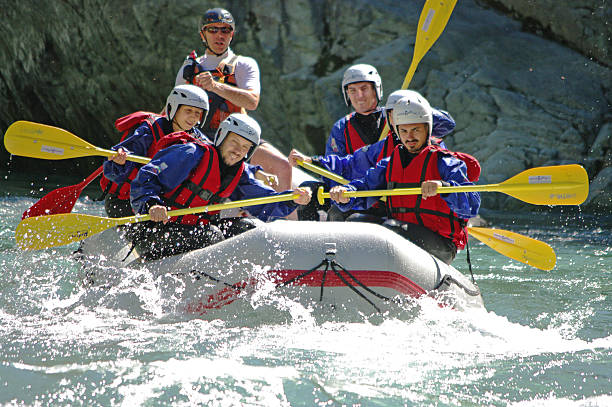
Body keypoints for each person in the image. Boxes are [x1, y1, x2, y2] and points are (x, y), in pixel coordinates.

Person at [129, 113, 312, 260]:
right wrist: (151, 204)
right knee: (212, 236)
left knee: (249, 227)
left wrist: (292, 198)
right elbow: (146, 177)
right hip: (156, 232)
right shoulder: (190, 153)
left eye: (245, 147)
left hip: (196, 230)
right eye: (234, 142)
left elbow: (264, 201)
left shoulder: (239, 173)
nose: (239, 150)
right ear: (222, 137)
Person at [327, 94, 481, 264]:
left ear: (427, 129)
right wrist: (347, 193)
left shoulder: (446, 163)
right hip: (400, 233)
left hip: (440, 243)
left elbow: (472, 204)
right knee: (355, 221)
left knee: (391, 229)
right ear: (397, 132)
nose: (410, 137)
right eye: (404, 131)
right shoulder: (390, 163)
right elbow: (365, 188)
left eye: (416, 129)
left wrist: (443, 186)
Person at [175, 7, 294, 194]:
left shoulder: (244, 64)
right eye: (212, 29)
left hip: (238, 136)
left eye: (225, 30)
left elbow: (252, 101)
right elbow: (173, 108)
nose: (219, 35)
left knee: (282, 167)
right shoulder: (189, 68)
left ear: (232, 34)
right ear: (202, 34)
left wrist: (215, 86)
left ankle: (286, 220)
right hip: (199, 137)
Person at [291, 89, 456, 221]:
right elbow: (350, 165)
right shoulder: (386, 151)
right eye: (395, 115)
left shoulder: (439, 154)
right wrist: (313, 162)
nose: (400, 120)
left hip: (428, 222)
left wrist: (445, 188)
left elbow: (448, 124)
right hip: (393, 213)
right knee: (338, 212)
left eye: (414, 125)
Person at [101, 84, 210, 218]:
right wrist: (120, 162)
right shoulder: (148, 131)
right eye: (188, 110)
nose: (193, 117)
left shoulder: (199, 142)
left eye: (197, 113)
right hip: (123, 201)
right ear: (173, 108)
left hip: (159, 203)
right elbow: (112, 171)